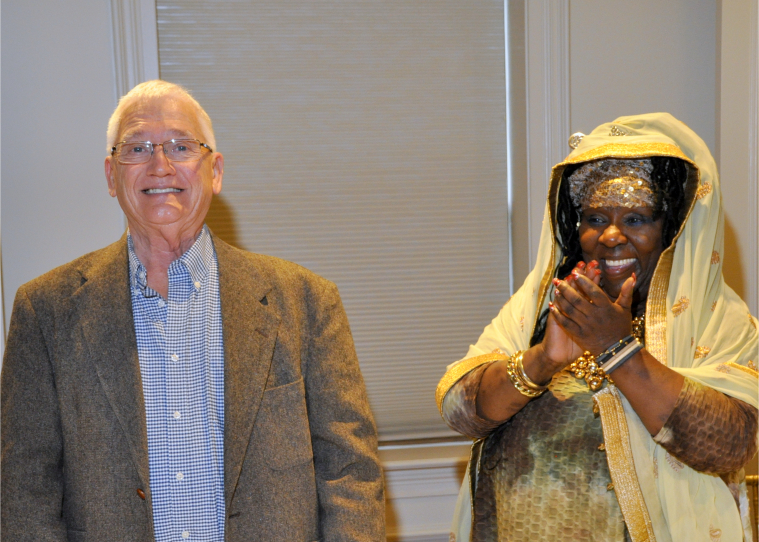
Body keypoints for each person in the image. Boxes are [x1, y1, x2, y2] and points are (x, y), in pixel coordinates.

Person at [1, 80, 385, 542]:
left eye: (181, 146)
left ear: (215, 171)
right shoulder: (46, 312)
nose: (160, 165)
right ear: (111, 176)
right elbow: (24, 492)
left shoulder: (306, 302)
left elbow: (350, 474)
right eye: (137, 148)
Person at [436, 113, 758, 542]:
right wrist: (542, 359)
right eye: (595, 218)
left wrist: (618, 349)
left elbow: (731, 445)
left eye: (636, 219)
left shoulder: (716, 318)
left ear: (672, 229)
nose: (610, 236)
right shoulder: (541, 306)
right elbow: (460, 412)